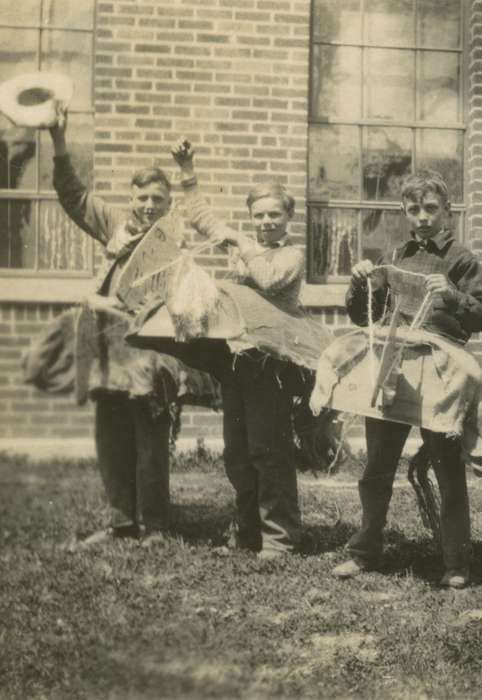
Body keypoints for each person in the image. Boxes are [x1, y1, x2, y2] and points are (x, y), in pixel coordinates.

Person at [40, 105, 216, 547]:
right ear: (131, 200)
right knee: (111, 435)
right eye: (142, 198)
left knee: (149, 438)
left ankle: (155, 526)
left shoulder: (173, 238)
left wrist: (188, 171)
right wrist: (59, 141)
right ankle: (121, 522)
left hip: (151, 351)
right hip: (109, 349)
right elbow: (74, 197)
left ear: (167, 202)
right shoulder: (116, 227)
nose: (149, 205)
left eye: (157, 199)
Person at [329, 169, 482, 588]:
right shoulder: (397, 255)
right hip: (395, 364)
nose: (422, 217)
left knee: (447, 469)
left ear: (447, 212)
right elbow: (365, 314)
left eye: (431, 209)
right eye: (414, 209)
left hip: (440, 366)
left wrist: (452, 294)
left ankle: (456, 562)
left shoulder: (461, 259)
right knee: (377, 466)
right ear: (405, 212)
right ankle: (364, 550)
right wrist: (360, 284)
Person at [171, 141, 321, 559]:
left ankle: (280, 538)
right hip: (237, 363)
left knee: (268, 452)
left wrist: (239, 240)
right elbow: (204, 218)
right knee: (238, 454)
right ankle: (247, 533)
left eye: (275, 214)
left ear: (289, 217)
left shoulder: (291, 255)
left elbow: (270, 280)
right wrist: (188, 170)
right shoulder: (245, 246)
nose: (267, 222)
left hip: (271, 368)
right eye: (259, 215)